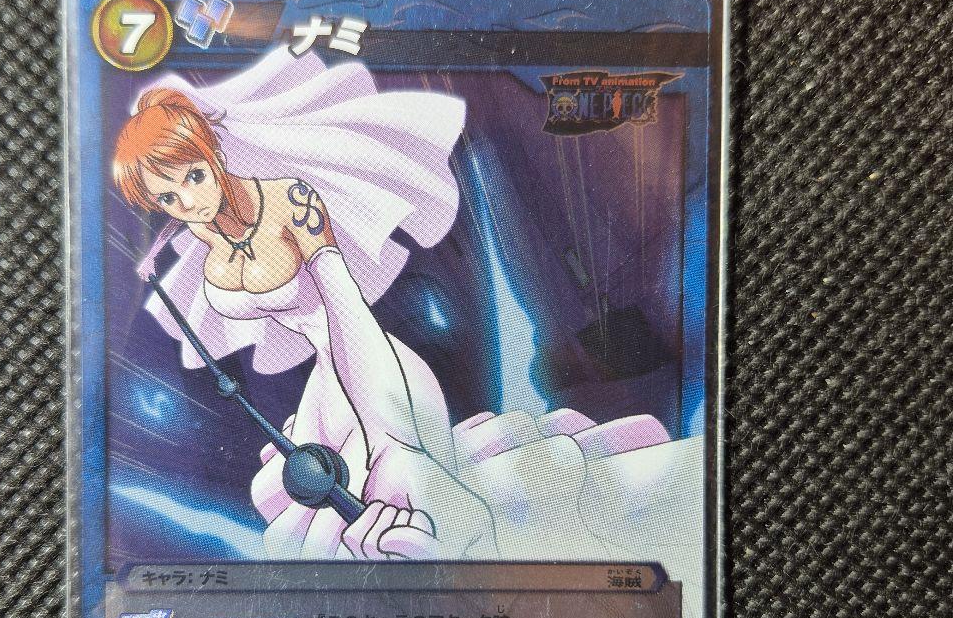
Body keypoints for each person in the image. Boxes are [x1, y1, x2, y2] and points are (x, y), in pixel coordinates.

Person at [112, 48, 668, 561]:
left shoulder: (289, 201)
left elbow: (347, 310)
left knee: (391, 485)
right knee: (282, 497)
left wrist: (380, 429)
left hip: (371, 358)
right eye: (168, 197)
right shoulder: (203, 232)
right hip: (325, 376)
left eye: (194, 176)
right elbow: (197, 238)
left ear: (213, 153)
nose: (190, 201)